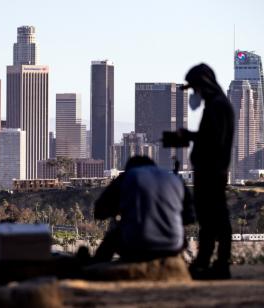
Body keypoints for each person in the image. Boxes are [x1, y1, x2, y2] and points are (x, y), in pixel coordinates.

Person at [177, 63, 235, 279]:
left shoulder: (217, 106)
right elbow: (210, 138)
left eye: (195, 88)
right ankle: (205, 263)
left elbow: (214, 142)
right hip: (210, 171)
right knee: (209, 220)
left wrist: (191, 137)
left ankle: (220, 264)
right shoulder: (216, 105)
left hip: (212, 172)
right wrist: (192, 136)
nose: (194, 93)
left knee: (216, 218)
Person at [93, 156, 194, 262]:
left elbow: (99, 212)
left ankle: (97, 266)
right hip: (173, 246)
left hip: (135, 246)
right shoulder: (175, 179)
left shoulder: (127, 177)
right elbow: (189, 218)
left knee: (113, 233)